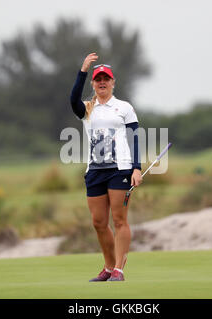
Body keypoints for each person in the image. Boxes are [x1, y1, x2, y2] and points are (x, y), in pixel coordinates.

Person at [70, 52, 142, 282]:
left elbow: (134, 138)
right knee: (99, 222)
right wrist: (82, 71)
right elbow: (72, 101)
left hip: (119, 169)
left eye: (106, 79)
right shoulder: (88, 108)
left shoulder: (124, 107)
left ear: (113, 82)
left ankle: (119, 268)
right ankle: (109, 267)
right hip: (95, 171)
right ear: (93, 83)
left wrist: (136, 168)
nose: (102, 82)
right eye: (98, 78)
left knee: (119, 220)